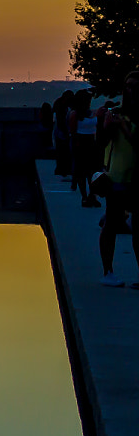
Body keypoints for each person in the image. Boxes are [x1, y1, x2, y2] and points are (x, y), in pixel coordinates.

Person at [100, 76, 139, 285]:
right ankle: (108, 272)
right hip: (117, 177)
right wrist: (106, 125)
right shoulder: (116, 113)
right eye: (130, 87)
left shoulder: (126, 118)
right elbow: (102, 141)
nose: (132, 91)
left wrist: (123, 127)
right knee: (112, 224)